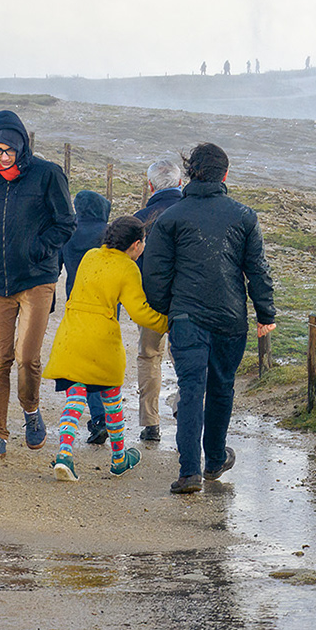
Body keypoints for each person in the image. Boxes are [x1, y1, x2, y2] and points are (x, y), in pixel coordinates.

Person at [141, 143, 274, 495]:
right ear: (225, 175)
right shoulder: (244, 215)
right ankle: (214, 459)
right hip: (231, 317)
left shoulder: (170, 217)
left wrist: (167, 309)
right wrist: (266, 313)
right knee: (221, 388)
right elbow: (257, 269)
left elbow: (154, 274)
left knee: (191, 390)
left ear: (189, 174)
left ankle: (189, 473)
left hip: (186, 317)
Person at [0, 110, 76, 460]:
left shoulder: (47, 175)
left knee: (27, 358)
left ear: (21, 144)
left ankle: (31, 412)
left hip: (36, 280)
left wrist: (38, 248)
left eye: (9, 150)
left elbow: (66, 223)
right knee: (0, 359)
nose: (3, 157)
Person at [44, 216, 168, 480]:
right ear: (136, 244)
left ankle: (65, 455)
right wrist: (166, 323)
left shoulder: (91, 256)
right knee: (112, 399)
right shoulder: (128, 268)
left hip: (71, 335)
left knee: (74, 398)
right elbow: (139, 312)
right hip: (101, 341)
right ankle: (120, 458)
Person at [129, 158, 187, 444]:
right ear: (180, 183)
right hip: (186, 300)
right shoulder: (191, 211)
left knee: (149, 356)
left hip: (151, 300)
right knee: (186, 359)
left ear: (150, 185)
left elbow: (132, 262)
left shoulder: (141, 217)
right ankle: (181, 407)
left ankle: (150, 422)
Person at [59, 189, 112, 442]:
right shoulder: (109, 234)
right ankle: (107, 417)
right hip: (107, 307)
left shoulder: (69, 231)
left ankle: (98, 418)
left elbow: (53, 267)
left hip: (77, 304)